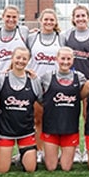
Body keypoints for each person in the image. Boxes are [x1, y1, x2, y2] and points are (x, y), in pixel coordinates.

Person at [0, 47, 42, 174]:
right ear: (12, 58)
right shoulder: (2, 78)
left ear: (28, 60)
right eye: (18, 57)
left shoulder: (33, 80)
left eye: (24, 58)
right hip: (5, 131)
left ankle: (23, 155)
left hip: (25, 132)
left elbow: (42, 101)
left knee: (30, 169)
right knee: (2, 170)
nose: (21, 61)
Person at [40, 47, 86, 171]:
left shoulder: (80, 78)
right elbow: (39, 97)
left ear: (73, 60)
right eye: (63, 58)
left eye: (68, 59)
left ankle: (62, 154)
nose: (65, 62)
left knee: (66, 168)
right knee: (51, 167)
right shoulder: (46, 77)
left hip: (70, 127)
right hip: (51, 126)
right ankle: (47, 155)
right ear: (57, 59)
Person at [27, 8, 62, 158]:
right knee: (37, 119)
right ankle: (39, 151)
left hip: (55, 84)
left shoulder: (62, 37)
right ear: (40, 21)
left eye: (51, 20)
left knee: (56, 120)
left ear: (55, 22)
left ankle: (58, 150)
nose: (48, 22)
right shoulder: (31, 37)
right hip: (35, 82)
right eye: (45, 19)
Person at [61, 5, 89, 79]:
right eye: (77, 16)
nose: (80, 18)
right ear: (73, 19)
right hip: (70, 80)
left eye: (83, 16)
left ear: (88, 18)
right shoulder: (66, 35)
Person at [0, 5, 29, 71]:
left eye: (14, 17)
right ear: (3, 17)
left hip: (19, 75)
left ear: (18, 18)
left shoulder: (24, 31)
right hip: (1, 75)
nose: (11, 19)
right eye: (8, 16)